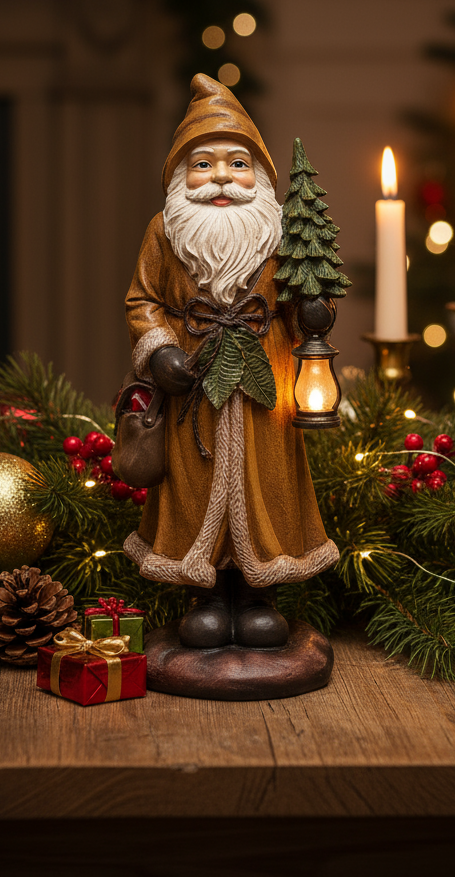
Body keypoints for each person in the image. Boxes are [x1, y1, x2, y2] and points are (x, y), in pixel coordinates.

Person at [123, 74, 339, 648]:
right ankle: (207, 594)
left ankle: (258, 592)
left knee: (266, 486)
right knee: (195, 488)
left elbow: (301, 299)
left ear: (261, 175)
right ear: (178, 175)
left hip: (268, 391)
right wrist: (160, 348)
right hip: (193, 389)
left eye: (238, 163)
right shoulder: (164, 233)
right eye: (204, 163)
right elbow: (143, 300)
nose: (221, 177)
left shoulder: (279, 235)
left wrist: (313, 310)